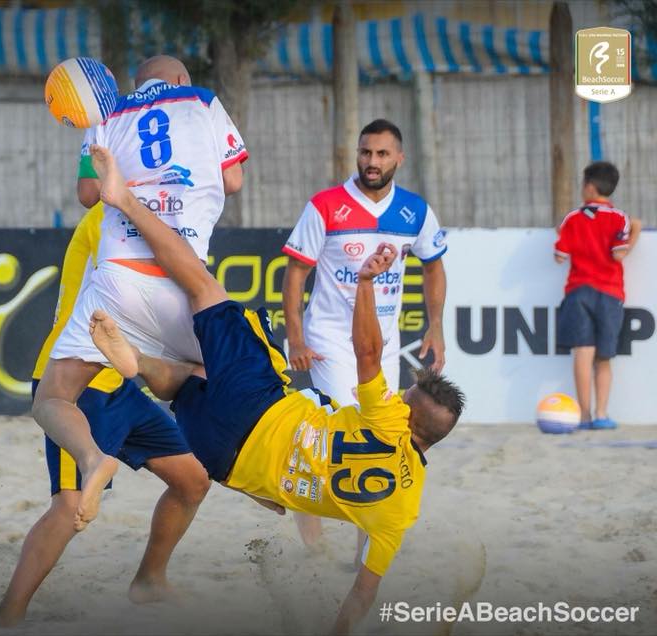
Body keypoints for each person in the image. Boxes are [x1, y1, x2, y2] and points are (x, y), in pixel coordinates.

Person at [86, 143, 465, 635]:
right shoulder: (402, 511)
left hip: (260, 406)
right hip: (222, 461)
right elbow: (363, 593)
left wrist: (367, 282)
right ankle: (137, 365)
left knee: (204, 288)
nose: (400, 397)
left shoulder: (388, 419)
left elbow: (368, 352)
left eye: (407, 398)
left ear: (412, 420)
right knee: (186, 382)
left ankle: (125, 201)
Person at [34, 54, 247, 531]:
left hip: (120, 284)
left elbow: (89, 195)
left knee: (51, 398)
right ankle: (252, 473)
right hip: (186, 279)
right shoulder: (202, 101)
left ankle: (92, 458)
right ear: (178, 80)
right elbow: (233, 180)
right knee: (214, 379)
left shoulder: (106, 114)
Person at [0, 203, 210, 626]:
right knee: (69, 509)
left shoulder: (145, 217)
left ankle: (150, 580)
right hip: (80, 383)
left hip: (119, 385)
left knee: (192, 480)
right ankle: (6, 617)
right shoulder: (112, 221)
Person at [281, 118, 448, 549]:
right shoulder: (325, 205)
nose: (371, 162)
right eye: (365, 153)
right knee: (335, 434)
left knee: (383, 441)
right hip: (331, 342)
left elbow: (434, 267)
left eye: (381, 154)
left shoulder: (416, 211)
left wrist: (436, 327)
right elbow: (296, 273)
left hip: (383, 346)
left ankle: (362, 549)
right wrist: (296, 339)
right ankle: (314, 549)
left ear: (399, 158)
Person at [554, 161, 641, 429]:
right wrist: (636, 231)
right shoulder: (620, 218)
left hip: (579, 290)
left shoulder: (572, 219)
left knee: (583, 352)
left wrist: (564, 235)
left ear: (589, 187)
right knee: (604, 357)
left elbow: (559, 257)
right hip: (610, 293)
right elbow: (619, 253)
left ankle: (584, 415)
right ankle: (602, 414)